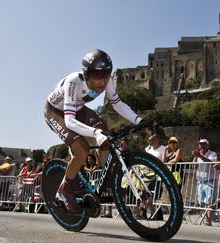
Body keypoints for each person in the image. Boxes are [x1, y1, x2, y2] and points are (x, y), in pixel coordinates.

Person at [44, 49, 150, 214]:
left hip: (78, 108)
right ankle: (65, 188)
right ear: (86, 74)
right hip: (56, 112)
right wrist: (95, 133)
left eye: (106, 75)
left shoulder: (107, 81)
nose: (102, 81)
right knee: (82, 149)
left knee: (106, 135)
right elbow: (69, 121)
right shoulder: (74, 82)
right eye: (97, 75)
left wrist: (138, 120)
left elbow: (117, 103)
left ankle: (104, 180)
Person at [192, 139, 218, 226]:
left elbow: (211, 163)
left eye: (204, 144)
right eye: (200, 144)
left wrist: (200, 156)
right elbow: (194, 166)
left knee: (209, 201)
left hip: (209, 180)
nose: (202, 146)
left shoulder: (212, 154)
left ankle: (208, 221)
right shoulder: (198, 155)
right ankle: (203, 219)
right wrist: (196, 156)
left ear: (207, 145)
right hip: (200, 181)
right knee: (201, 201)